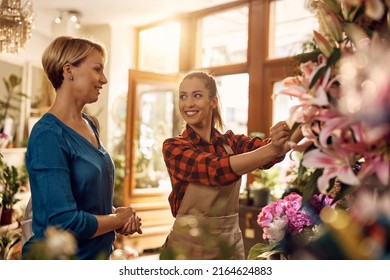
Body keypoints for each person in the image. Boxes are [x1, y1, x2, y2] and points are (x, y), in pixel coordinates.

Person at [22, 36, 142, 260]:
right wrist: (116, 220)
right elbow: (64, 222)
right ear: (69, 70)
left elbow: (87, 201)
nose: (104, 79)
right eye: (97, 69)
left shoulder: (90, 124)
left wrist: (118, 215)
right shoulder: (48, 134)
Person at [160, 71, 302, 260]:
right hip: (186, 249)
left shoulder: (231, 143)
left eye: (197, 95)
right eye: (183, 96)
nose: (188, 104)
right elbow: (216, 170)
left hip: (228, 247)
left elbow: (269, 154)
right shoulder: (174, 147)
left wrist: (303, 121)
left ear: (213, 101)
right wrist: (273, 149)